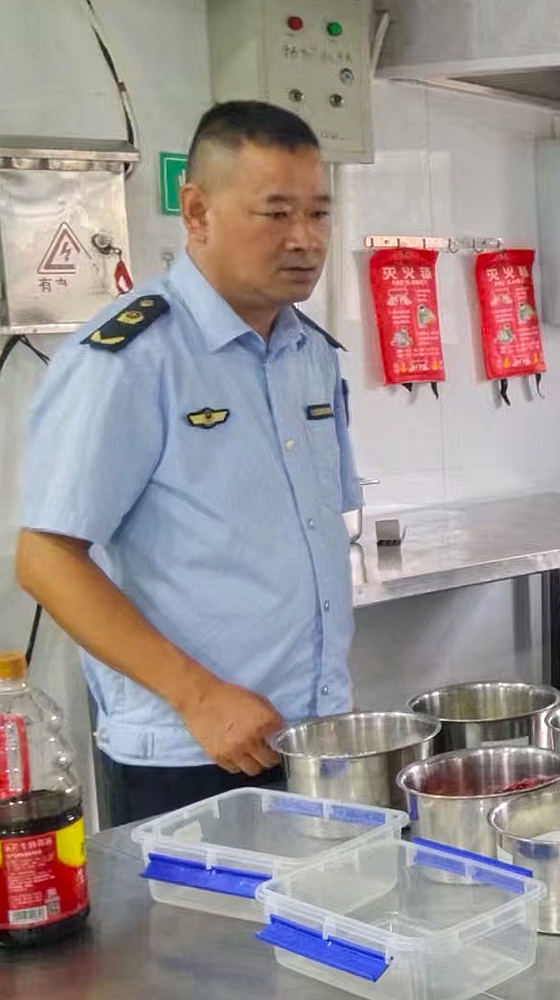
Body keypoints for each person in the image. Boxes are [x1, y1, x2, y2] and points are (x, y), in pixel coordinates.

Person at [15, 101, 361, 825]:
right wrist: (200, 697)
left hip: (309, 735)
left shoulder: (310, 354)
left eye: (319, 214)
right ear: (197, 211)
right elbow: (46, 559)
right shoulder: (129, 360)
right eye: (276, 214)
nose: (305, 239)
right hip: (189, 750)